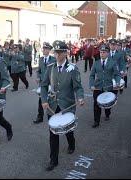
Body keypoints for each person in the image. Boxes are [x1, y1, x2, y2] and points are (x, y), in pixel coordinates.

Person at [41, 40, 84, 171]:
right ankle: (53, 160)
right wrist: (44, 100)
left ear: (66, 53)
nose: (57, 55)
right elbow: (43, 86)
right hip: (52, 107)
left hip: (67, 106)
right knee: (53, 133)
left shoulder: (72, 69)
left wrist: (80, 97)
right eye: (56, 52)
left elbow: (78, 87)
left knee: (67, 130)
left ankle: (71, 142)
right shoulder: (50, 68)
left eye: (60, 52)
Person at [89, 45, 121, 128]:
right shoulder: (96, 63)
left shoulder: (113, 63)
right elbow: (92, 75)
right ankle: (96, 121)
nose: (101, 54)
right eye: (101, 52)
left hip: (108, 87)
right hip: (98, 87)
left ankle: (107, 114)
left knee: (107, 104)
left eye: (104, 52)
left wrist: (117, 82)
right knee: (96, 104)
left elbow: (117, 75)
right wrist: (92, 84)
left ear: (108, 53)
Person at [34, 42, 56, 124]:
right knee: (41, 100)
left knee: (52, 100)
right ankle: (40, 117)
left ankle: (53, 116)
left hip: (51, 84)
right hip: (43, 84)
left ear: (49, 50)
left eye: (45, 49)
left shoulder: (53, 59)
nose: (43, 50)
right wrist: (38, 77)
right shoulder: (41, 59)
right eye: (43, 48)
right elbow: (39, 71)